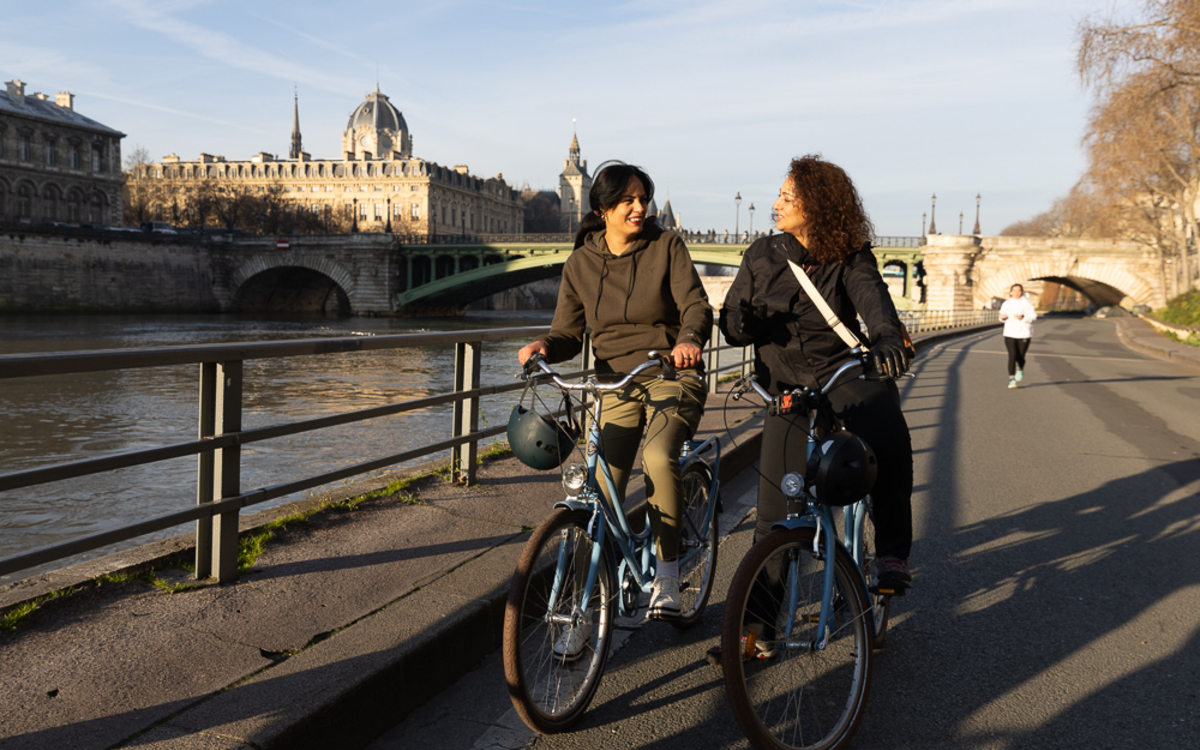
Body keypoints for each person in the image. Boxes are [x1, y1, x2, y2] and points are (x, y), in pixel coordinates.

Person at [517, 162, 712, 627]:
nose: (639, 207)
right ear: (602, 209)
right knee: (600, 492)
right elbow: (567, 333)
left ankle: (667, 574)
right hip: (615, 383)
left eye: (643, 199)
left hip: (669, 373)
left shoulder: (667, 247)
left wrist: (688, 341)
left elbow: (696, 306)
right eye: (628, 200)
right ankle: (583, 614)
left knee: (659, 457)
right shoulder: (580, 264)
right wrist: (545, 346)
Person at [720, 154, 915, 601]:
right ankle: (757, 627)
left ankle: (891, 554)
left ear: (818, 204)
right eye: (780, 195)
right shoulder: (761, 255)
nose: (776, 204)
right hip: (784, 382)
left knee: (889, 436)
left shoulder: (849, 255)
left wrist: (887, 340)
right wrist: (742, 323)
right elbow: (731, 320)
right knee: (774, 508)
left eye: (787, 197)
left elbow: (874, 301)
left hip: (839, 372)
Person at [998, 283, 1036, 388]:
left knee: (1021, 356)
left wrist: (1023, 318)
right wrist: (1003, 317)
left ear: (1021, 292)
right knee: (1012, 355)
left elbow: (1033, 316)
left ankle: (1020, 368)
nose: (1016, 293)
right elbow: (1001, 316)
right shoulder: (1006, 303)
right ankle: (1012, 379)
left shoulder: (1027, 303)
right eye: (1014, 291)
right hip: (1009, 332)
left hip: (1024, 333)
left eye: (1019, 291)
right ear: (1011, 292)